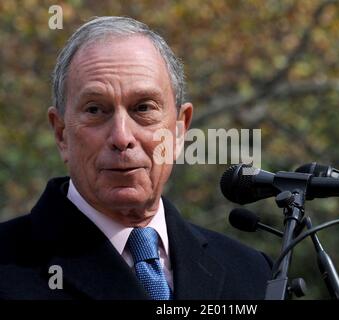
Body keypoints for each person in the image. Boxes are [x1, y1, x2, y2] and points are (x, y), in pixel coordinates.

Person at [0, 16, 272, 300]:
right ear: (61, 133)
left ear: (179, 130)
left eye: (143, 108)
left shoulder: (254, 273)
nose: (121, 137)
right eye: (95, 110)